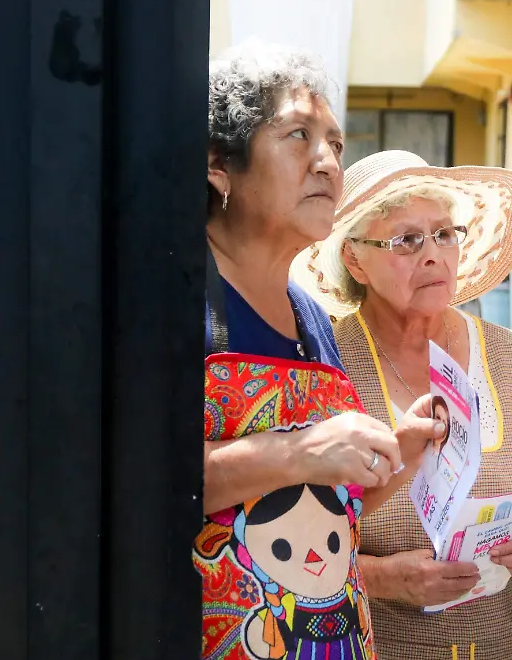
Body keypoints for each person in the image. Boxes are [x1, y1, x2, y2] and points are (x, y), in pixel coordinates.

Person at [196, 42, 443, 660]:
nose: (328, 161)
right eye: (298, 135)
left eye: (334, 141)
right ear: (220, 166)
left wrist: (398, 452)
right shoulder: (169, 306)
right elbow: (132, 483)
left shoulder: (312, 318)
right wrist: (301, 450)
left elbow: (326, 504)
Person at [294, 150, 512, 659]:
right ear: (355, 258)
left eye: (445, 234)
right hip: (383, 643)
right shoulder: (326, 369)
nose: (433, 255)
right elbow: (289, 531)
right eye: (406, 240)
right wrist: (381, 577)